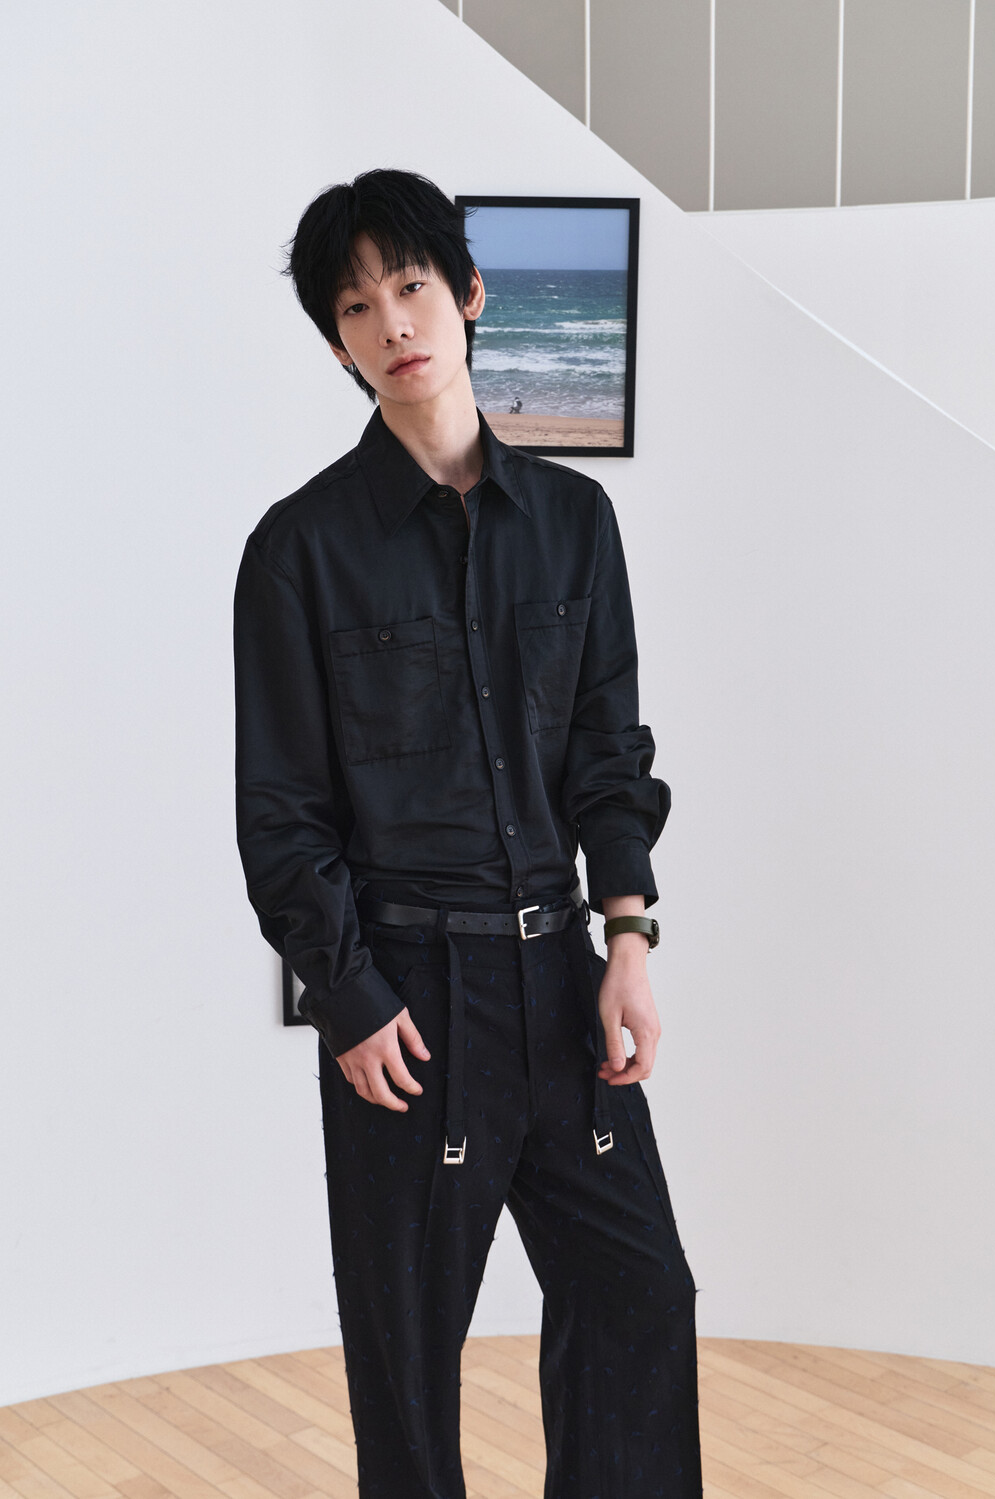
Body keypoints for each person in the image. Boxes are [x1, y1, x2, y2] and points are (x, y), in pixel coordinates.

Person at [233, 167, 702, 1498]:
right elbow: (281, 814)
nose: (392, 322)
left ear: (470, 294)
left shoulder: (574, 525)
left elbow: (609, 757)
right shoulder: (298, 552)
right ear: (339, 343)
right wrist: (348, 994)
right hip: (408, 1004)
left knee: (640, 1300)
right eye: (356, 306)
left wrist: (628, 939)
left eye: (412, 285)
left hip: (560, 980)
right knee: (408, 1370)